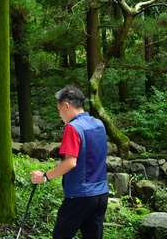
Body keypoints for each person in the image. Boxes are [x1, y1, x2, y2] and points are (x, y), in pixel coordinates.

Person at [30, 85, 109, 239]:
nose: (60, 115)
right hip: (101, 194)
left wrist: (44, 177)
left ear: (66, 106)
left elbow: (70, 162)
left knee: (61, 235)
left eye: (59, 110)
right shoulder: (98, 124)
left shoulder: (72, 128)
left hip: (80, 196)